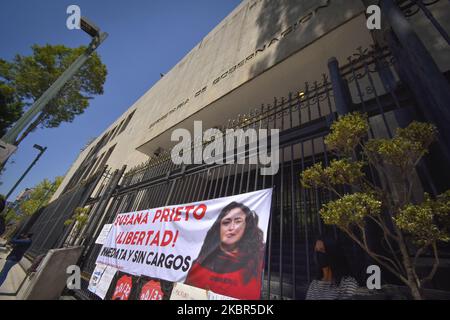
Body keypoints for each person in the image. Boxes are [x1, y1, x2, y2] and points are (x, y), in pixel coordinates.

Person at [185, 201, 265, 300]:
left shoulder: (255, 260)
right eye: (226, 222)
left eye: (238, 221)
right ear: (219, 227)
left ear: (246, 227)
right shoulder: (200, 263)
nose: (231, 228)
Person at [305, 235, 358, 300]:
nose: (318, 254)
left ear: (331, 252)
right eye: (316, 250)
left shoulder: (348, 283)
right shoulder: (314, 284)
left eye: (321, 250)